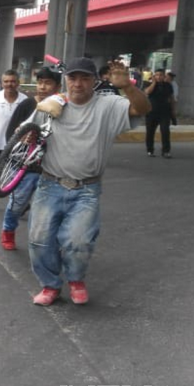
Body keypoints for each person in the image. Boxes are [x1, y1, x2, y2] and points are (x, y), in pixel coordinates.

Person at [27, 58, 150, 306]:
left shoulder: (108, 105)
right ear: (66, 80)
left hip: (86, 189)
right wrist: (30, 136)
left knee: (78, 241)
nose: (78, 84)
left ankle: (75, 279)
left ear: (95, 81)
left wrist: (127, 87)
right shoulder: (53, 104)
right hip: (49, 184)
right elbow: (27, 134)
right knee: (39, 240)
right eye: (73, 78)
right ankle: (50, 285)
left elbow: (142, 109)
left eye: (85, 78)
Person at [0, 64, 59, 251]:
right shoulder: (28, 104)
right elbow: (11, 132)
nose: (42, 87)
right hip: (26, 165)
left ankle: (44, 241)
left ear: (57, 87)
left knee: (48, 209)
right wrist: (22, 138)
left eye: (47, 83)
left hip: (51, 168)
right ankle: (8, 232)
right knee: (17, 204)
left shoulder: (62, 107)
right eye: (40, 83)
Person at [0, 70, 32, 211]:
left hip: (17, 146)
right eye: (6, 81)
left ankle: (19, 202)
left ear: (18, 83)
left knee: (17, 175)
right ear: (2, 83)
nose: (9, 84)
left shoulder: (25, 101)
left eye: (13, 81)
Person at [144, 68, 175, 158]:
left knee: (165, 131)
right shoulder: (149, 84)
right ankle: (150, 150)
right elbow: (147, 92)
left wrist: (173, 110)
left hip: (164, 112)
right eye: (157, 75)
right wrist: (154, 83)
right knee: (150, 132)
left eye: (160, 75)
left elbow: (171, 98)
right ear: (154, 76)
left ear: (164, 76)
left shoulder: (168, 85)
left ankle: (166, 151)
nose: (158, 77)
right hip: (151, 112)